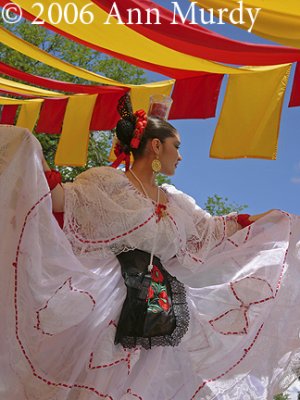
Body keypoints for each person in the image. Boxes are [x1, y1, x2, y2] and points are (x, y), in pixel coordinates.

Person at [1, 94, 300, 400]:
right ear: (156, 146)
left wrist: (275, 219)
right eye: (177, 146)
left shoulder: (177, 203)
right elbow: (63, 202)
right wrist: (27, 154)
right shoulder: (108, 182)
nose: (180, 156)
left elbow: (215, 229)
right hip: (107, 299)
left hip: (161, 310)